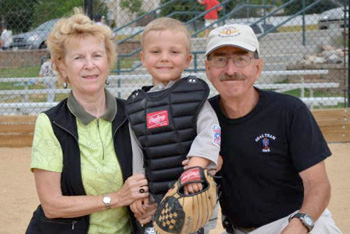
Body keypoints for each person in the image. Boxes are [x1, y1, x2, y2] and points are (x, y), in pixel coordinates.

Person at [26, 8, 153, 234]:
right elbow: (52, 205)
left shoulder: (133, 114)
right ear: (61, 67)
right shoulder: (51, 123)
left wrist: (147, 203)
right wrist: (116, 198)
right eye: (78, 57)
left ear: (108, 60)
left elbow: (150, 177)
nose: (89, 65)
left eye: (97, 55)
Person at [205, 24, 342, 234]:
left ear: (257, 67)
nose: (230, 70)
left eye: (241, 59)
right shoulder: (203, 118)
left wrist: (301, 223)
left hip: (293, 222)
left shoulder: (289, 110)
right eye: (220, 59)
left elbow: (319, 186)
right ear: (208, 69)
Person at [126, 17, 221, 233]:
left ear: (187, 60)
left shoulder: (193, 96)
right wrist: (140, 191)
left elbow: (211, 133)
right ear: (143, 58)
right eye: (156, 52)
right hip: (157, 199)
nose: (164, 59)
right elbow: (137, 153)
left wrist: (196, 167)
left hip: (192, 195)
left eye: (174, 52)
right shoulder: (136, 105)